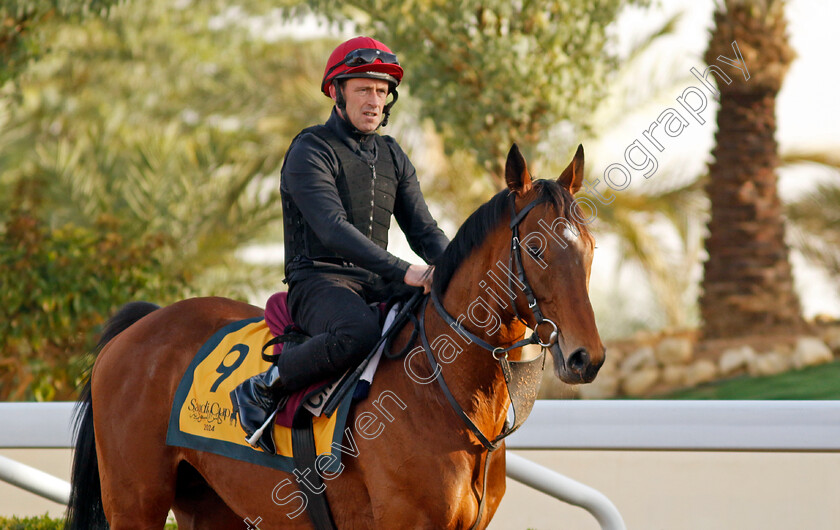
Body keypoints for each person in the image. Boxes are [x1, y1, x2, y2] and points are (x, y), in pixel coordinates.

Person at [230, 36, 450, 453]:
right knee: (358, 330)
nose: (374, 101)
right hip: (318, 282)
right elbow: (332, 228)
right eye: (364, 89)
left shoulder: (393, 154)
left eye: (382, 91)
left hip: (376, 281)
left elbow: (423, 230)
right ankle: (263, 386)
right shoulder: (309, 149)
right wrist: (408, 271)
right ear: (336, 92)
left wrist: (459, 268)